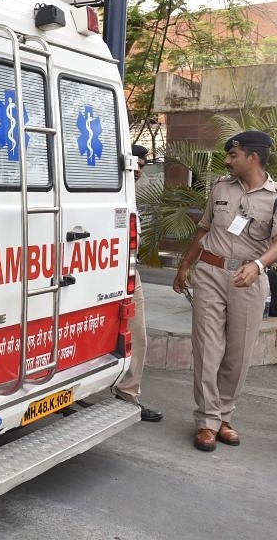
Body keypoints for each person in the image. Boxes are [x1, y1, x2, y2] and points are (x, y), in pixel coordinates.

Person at [172, 131, 277, 452]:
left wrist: (257, 265)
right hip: (210, 273)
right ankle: (207, 420)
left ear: (252, 158)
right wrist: (185, 266)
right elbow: (204, 229)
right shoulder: (220, 188)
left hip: (249, 278)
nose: (227, 160)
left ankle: (225, 416)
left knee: (238, 354)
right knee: (206, 349)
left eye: (233, 155)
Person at [112, 145, 163, 422]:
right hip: (99, 270)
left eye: (143, 165)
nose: (140, 170)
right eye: (136, 164)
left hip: (129, 273)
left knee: (137, 336)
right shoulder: (108, 189)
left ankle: (128, 394)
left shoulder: (131, 195)